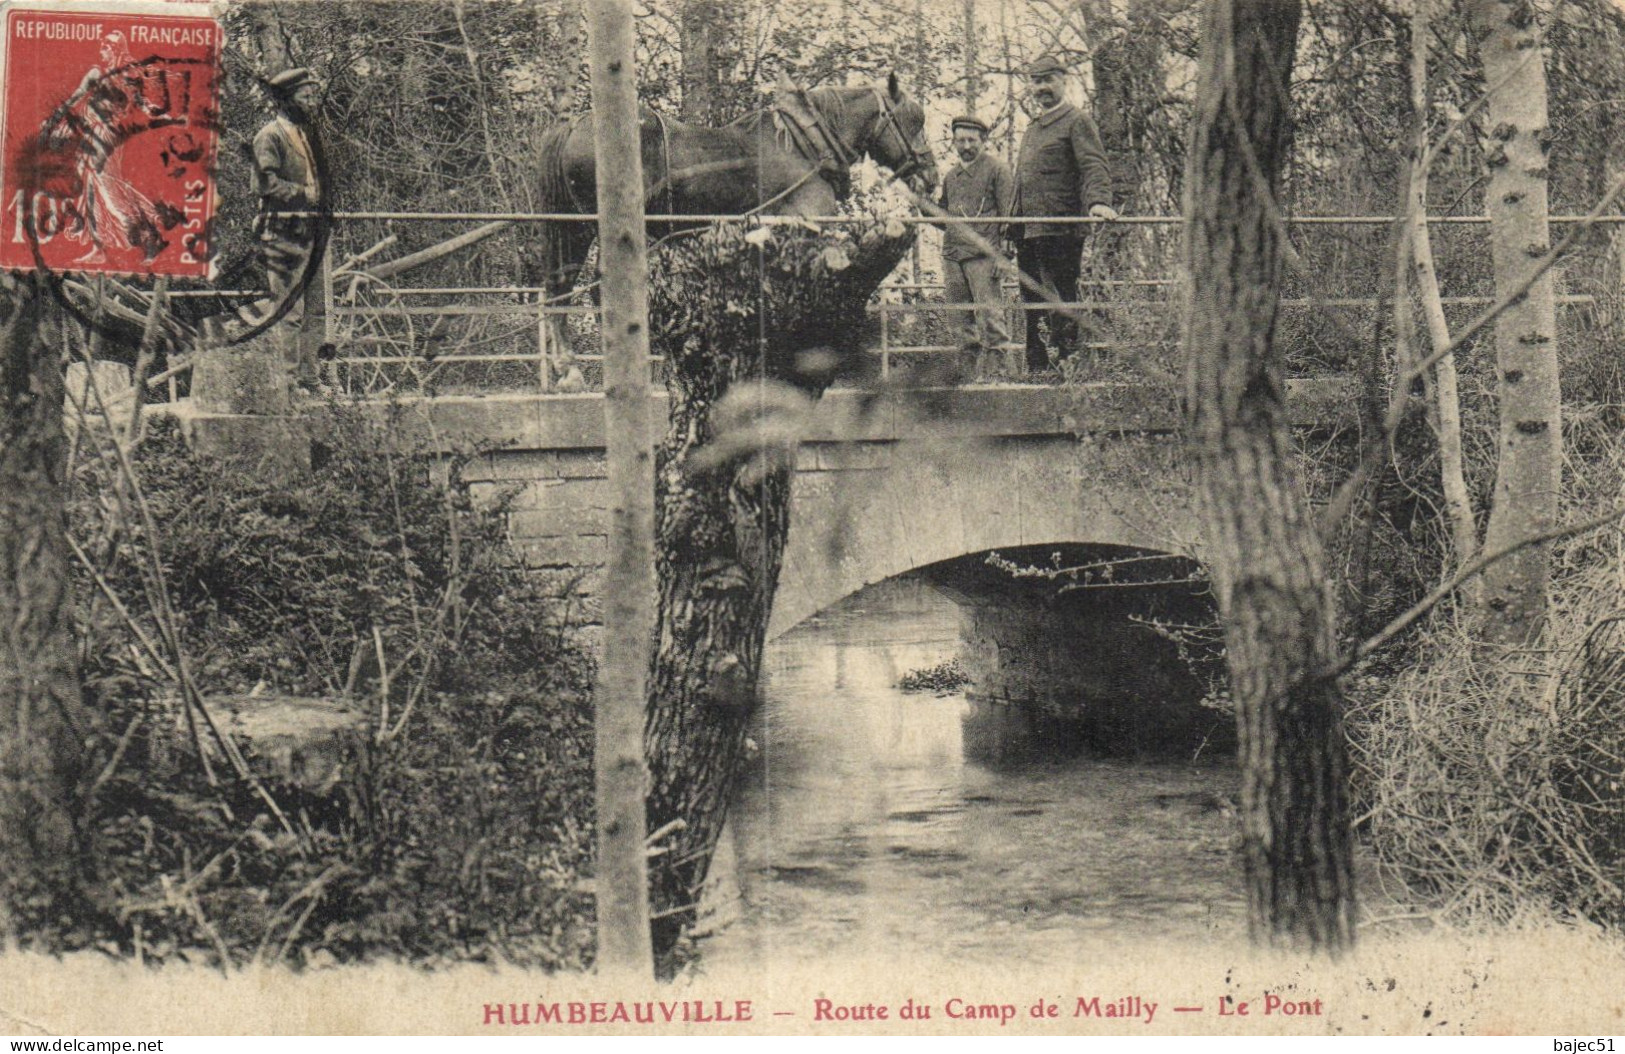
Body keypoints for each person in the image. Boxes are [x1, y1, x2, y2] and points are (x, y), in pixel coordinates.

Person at [1012, 53, 1117, 374]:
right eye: (1035, 81)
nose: (1041, 87)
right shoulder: (1034, 128)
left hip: (1060, 228)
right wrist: (1011, 228)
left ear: (1064, 81)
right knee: (1032, 298)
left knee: (1060, 296)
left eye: (1048, 80)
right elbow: (1023, 182)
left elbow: (1093, 164)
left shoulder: (1076, 120)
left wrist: (1098, 201)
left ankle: (1069, 364)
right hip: (1029, 230)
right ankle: (1039, 367)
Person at [252, 67, 327, 392]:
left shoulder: (306, 135)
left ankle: (311, 379)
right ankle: (287, 383)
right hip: (284, 231)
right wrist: (301, 193)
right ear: (285, 99)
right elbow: (263, 183)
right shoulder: (270, 136)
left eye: (312, 96)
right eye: (304, 96)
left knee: (318, 309)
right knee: (289, 310)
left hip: (314, 230)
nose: (310, 102)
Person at [937, 115, 1015, 378]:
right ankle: (967, 378)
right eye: (960, 140)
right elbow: (945, 218)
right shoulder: (950, 176)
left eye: (972, 140)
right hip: (952, 255)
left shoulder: (997, 170)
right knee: (959, 320)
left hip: (984, 254)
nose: (966, 145)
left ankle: (998, 376)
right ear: (954, 142)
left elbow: (1009, 215)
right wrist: (921, 201)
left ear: (983, 140)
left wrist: (1004, 256)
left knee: (991, 317)